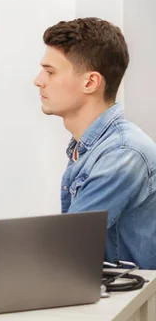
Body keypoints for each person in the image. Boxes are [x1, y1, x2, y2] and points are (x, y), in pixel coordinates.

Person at [34, 17, 156, 269]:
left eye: (50, 71)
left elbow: (68, 244)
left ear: (90, 82)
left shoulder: (123, 153)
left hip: (134, 303)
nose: (38, 80)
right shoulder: (88, 147)